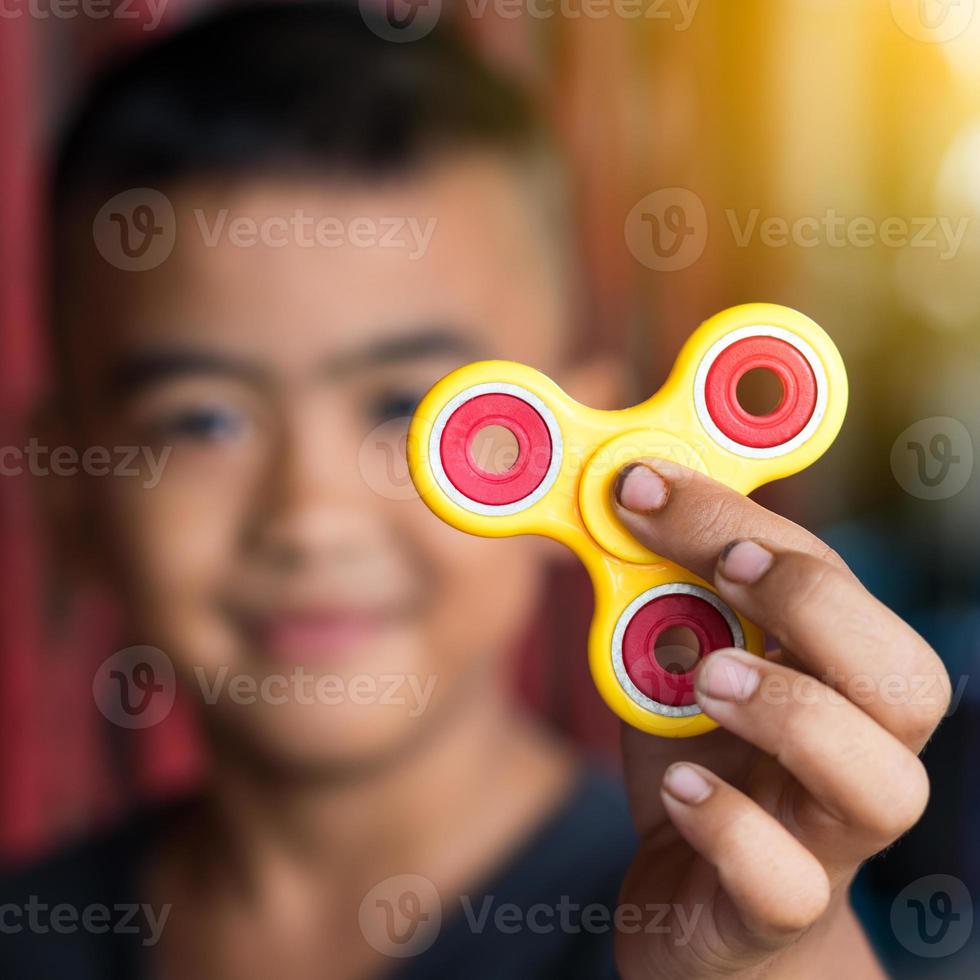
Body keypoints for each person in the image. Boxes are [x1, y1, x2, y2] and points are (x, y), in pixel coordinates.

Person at [1, 3, 950, 978]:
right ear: (69, 491)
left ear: (573, 460)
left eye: (409, 407)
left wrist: (765, 962)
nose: (309, 517)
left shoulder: (706, 912)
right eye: (202, 419)